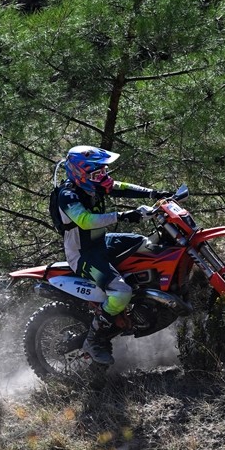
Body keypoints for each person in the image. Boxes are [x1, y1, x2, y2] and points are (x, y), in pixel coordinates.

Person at [53, 145, 170, 366]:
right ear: (81, 172)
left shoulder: (93, 184)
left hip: (100, 243)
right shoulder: (67, 195)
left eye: (104, 171)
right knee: (121, 292)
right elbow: (85, 221)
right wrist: (124, 215)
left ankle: (150, 302)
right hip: (81, 254)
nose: (104, 176)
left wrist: (154, 193)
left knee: (145, 244)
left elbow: (120, 187)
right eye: (98, 172)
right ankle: (93, 340)